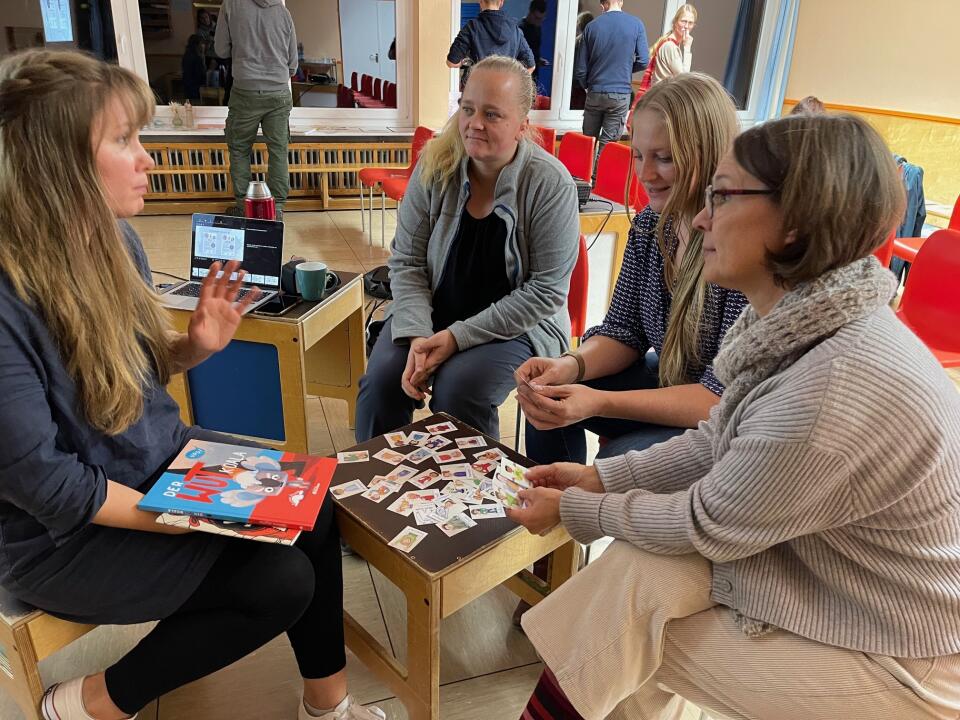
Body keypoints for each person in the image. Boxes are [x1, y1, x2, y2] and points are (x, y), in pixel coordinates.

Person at [511, 113, 960, 720]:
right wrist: (597, 478)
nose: (700, 217)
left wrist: (574, 509)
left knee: (614, 631)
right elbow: (715, 441)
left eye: (721, 196)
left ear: (797, 221)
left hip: (909, 656)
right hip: (845, 583)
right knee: (634, 582)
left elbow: (706, 522)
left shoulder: (830, 387)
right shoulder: (805, 322)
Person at [0, 49, 383, 720]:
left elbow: (127, 381)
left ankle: (329, 707)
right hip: (59, 538)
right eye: (124, 139)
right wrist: (170, 519)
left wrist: (190, 348)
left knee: (316, 503)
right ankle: (93, 701)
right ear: (56, 163)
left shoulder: (118, 243)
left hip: (152, 462)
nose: (146, 157)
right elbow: (47, 486)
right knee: (276, 580)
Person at [517, 73, 746, 466]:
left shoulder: (742, 246)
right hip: (678, 382)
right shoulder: (648, 225)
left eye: (665, 158)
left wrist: (600, 401)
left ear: (709, 154)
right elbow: (624, 331)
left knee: (621, 461)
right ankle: (553, 508)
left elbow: (719, 397)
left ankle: (574, 506)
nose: (645, 173)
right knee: (549, 397)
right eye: (638, 154)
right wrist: (569, 366)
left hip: (730, 421)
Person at [355, 55, 580, 443]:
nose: (474, 123)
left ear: (522, 125)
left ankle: (473, 499)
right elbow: (407, 263)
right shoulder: (435, 164)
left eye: (492, 114)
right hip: (434, 314)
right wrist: (415, 337)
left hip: (518, 327)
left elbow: (545, 292)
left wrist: (457, 338)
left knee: (461, 388)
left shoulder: (549, 184)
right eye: (467, 108)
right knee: (381, 382)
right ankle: (371, 495)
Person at [215, 0, 298, 220]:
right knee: (278, 149)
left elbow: (220, 49)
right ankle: (277, 209)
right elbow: (293, 64)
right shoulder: (282, 11)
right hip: (279, 93)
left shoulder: (230, 5)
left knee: (240, 148)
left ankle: (244, 207)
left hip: (245, 90)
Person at [575, 0, 649, 173]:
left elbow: (580, 69)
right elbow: (644, 60)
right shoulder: (636, 24)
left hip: (595, 91)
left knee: (588, 141)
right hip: (620, 94)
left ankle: (581, 182)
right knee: (607, 145)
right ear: (621, 2)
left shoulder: (591, 27)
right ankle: (596, 185)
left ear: (602, 4)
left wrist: (588, 86)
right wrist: (624, 71)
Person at [447, 0, 535, 91]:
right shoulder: (515, 31)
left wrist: (464, 62)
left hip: (477, 91)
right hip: (503, 93)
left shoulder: (471, 27)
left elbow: (452, 62)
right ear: (501, 2)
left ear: (480, 1)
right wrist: (511, 82)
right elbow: (530, 66)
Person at [519, 0, 549, 86]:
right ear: (530, 13)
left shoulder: (537, 28)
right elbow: (518, 55)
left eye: (542, 19)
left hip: (534, 75)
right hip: (524, 75)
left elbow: (532, 49)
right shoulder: (520, 29)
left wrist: (538, 59)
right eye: (537, 18)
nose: (539, 22)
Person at [570, 11, 594, 110]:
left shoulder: (578, 41)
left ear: (579, 23)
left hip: (578, 85)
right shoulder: (594, 40)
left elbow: (576, 66)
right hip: (590, 84)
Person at [180, 33, 206, 102]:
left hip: (187, 86)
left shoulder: (186, 55)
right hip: (195, 88)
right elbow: (201, 75)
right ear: (197, 45)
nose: (204, 46)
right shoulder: (197, 58)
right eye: (202, 43)